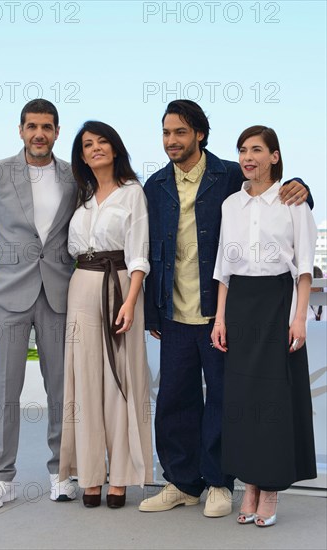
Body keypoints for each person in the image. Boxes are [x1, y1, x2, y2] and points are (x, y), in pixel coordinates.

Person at [139, 100, 312, 517]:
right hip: (174, 310)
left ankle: (218, 482)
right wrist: (151, 310)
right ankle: (182, 482)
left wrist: (303, 184)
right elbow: (147, 248)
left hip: (218, 310)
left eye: (180, 132)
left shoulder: (229, 174)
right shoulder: (155, 184)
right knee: (174, 400)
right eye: (165, 132)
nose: (171, 140)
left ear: (199, 133)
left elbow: (271, 190)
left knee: (223, 399)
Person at [0, 99, 78, 510]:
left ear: (57, 132)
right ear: (20, 130)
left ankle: (61, 471)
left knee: (62, 388)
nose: (39, 133)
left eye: (46, 126)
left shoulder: (73, 175)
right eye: (31, 126)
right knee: (4, 390)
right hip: (8, 295)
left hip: (59, 293)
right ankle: (2, 477)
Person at [212, 125, 317, 527]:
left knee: (274, 399)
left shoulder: (293, 202)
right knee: (242, 400)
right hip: (238, 303)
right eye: (242, 150)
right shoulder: (230, 205)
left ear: (275, 156)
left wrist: (299, 318)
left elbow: (304, 267)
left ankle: (270, 487)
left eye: (256, 150)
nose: (247, 157)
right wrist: (220, 318)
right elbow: (223, 268)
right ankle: (250, 484)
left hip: (278, 301)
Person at [58, 121, 153, 509]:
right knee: (84, 383)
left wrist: (131, 301)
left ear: (115, 148)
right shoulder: (80, 199)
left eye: (102, 142)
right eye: (87, 144)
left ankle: (122, 478)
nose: (95, 148)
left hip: (120, 289)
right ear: (81, 156)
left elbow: (139, 252)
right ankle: (91, 475)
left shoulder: (132, 193)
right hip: (81, 286)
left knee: (120, 381)